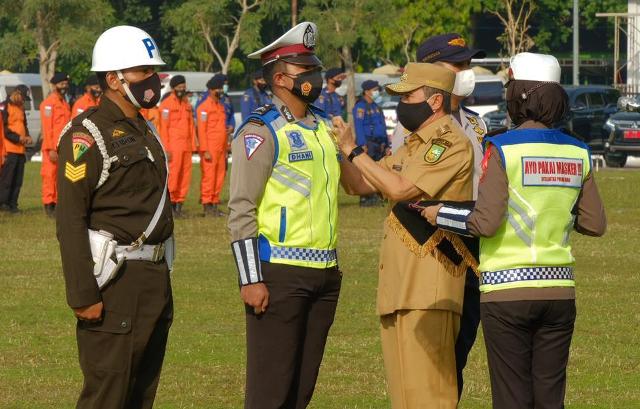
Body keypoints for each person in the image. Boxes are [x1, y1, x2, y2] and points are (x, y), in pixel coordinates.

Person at [421, 53, 607, 409]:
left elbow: (486, 222)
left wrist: (440, 213)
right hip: (558, 291)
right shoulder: (578, 152)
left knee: (512, 397)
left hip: (507, 290)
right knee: (551, 397)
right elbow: (594, 224)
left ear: (518, 95)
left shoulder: (501, 148)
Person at [334, 62, 474, 408]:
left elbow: (400, 188)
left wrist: (354, 150)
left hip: (430, 287)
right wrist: (336, 150)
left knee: (431, 396)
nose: (402, 104)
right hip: (400, 287)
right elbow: (359, 184)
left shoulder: (449, 143)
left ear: (435, 102)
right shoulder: (411, 146)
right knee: (404, 399)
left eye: (408, 95)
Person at [56, 25, 174, 409]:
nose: (152, 80)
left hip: (153, 279)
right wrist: (82, 294)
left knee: (141, 394)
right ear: (114, 78)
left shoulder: (145, 128)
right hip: (114, 283)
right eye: (142, 71)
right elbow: (71, 219)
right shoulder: (86, 135)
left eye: (152, 71)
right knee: (107, 396)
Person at [228, 21, 343, 409]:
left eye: (314, 66)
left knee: (301, 390)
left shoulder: (326, 126)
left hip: (325, 272)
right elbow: (241, 207)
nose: (315, 76)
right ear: (280, 78)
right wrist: (250, 279)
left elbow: (355, 184)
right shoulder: (261, 131)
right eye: (305, 70)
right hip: (279, 272)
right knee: (270, 390)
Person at [416, 32, 487, 399]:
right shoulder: (417, 124)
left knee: (460, 349)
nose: (466, 72)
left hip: (474, 244)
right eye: (457, 65)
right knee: (437, 356)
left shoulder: (476, 123)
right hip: (437, 244)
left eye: (467, 64)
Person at [159, 74, 196, 216]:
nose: (182, 89)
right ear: (173, 88)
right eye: (179, 87)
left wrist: (193, 146)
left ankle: (179, 206)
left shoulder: (187, 104)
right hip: (173, 147)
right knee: (173, 177)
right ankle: (171, 206)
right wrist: (166, 149)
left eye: (183, 87)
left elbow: (191, 126)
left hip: (186, 146)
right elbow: (163, 128)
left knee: (185, 176)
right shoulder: (166, 105)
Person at [40, 72, 72, 217]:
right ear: (54, 85)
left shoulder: (64, 103)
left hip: (63, 147)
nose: (64, 87)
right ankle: (49, 205)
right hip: (51, 148)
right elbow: (47, 129)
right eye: (61, 84)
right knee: (49, 176)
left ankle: (58, 203)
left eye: (66, 84)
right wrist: (51, 149)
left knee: (61, 177)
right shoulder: (48, 104)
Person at [352, 79, 388, 206]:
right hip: (368, 143)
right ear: (367, 92)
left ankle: (376, 196)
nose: (377, 92)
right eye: (375, 90)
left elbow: (382, 125)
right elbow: (359, 126)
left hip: (379, 143)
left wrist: (386, 142)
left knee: (378, 170)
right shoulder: (360, 107)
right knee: (367, 170)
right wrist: (362, 144)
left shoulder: (376, 105)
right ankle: (365, 198)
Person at [197, 74, 228, 216]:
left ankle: (215, 204)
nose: (221, 91)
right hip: (210, 148)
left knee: (219, 176)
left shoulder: (220, 106)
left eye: (222, 88)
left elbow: (222, 128)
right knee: (209, 177)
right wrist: (205, 150)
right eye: (219, 89)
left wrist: (226, 147)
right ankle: (207, 206)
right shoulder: (203, 108)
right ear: (212, 90)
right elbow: (201, 131)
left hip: (221, 148)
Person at [0, 85, 33, 213]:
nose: (23, 101)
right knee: (7, 179)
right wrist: (18, 138)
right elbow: (4, 129)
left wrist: (28, 136)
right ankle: (3, 203)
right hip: (9, 148)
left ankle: (13, 204)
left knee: (18, 179)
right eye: (23, 98)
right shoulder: (4, 106)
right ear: (17, 93)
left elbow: (24, 125)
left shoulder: (21, 108)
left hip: (20, 149)